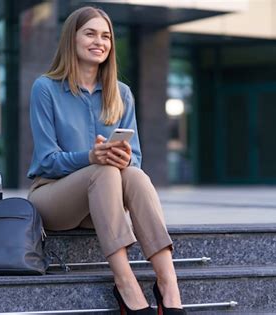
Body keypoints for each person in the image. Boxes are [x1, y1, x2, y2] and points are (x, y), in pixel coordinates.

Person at [26, 6, 186, 315]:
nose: (100, 41)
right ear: (71, 39)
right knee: (102, 171)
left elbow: (135, 160)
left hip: (103, 202)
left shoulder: (121, 94)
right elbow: (46, 160)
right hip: (53, 198)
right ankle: (125, 282)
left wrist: (121, 158)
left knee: (134, 176)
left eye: (106, 36)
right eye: (90, 33)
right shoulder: (45, 88)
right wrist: (91, 157)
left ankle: (168, 284)